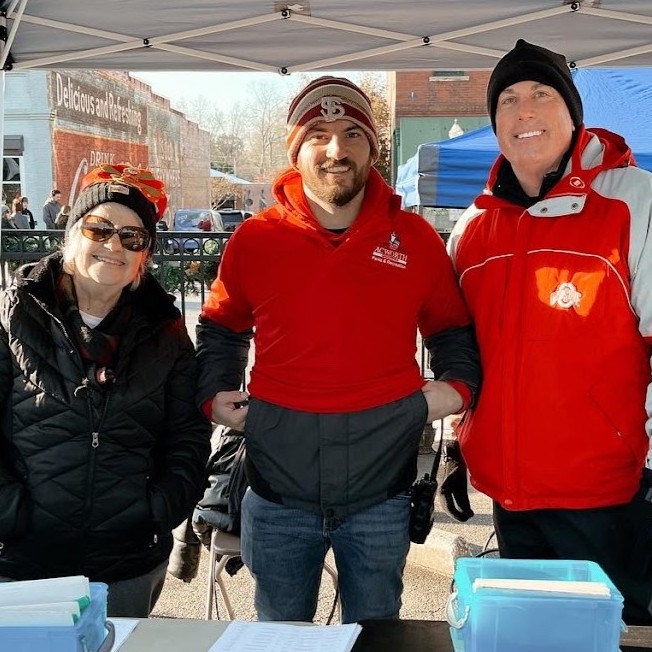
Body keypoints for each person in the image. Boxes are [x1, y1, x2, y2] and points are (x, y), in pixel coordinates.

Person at [195, 76, 481, 624]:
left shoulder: (416, 238)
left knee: (375, 632)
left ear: (373, 148)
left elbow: (451, 330)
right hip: (278, 489)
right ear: (296, 150)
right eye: (318, 133)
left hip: (382, 492)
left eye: (353, 133)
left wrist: (456, 386)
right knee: (281, 636)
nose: (336, 149)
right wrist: (215, 391)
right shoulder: (256, 239)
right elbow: (222, 326)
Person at [447, 39, 652, 624]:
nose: (525, 112)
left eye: (541, 94)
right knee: (527, 640)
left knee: (615, 640)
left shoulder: (634, 202)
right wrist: (465, 444)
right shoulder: (474, 228)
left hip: (610, 499)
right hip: (510, 501)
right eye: (508, 100)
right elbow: (466, 352)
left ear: (573, 113)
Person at [0, 163, 211, 617]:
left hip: (128, 562)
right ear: (72, 235)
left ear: (143, 258)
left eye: (133, 238)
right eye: (99, 229)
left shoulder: (166, 331)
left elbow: (187, 436)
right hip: (22, 564)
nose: (114, 245)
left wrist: (157, 508)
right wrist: (13, 515)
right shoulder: (12, 316)